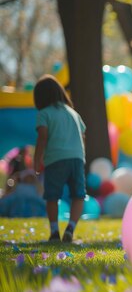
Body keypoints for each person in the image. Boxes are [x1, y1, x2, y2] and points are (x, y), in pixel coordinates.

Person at [33, 75, 86, 242]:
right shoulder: (73, 113)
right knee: (78, 195)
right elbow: (83, 136)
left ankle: (55, 231)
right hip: (77, 158)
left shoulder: (44, 114)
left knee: (52, 196)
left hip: (56, 159)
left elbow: (43, 137)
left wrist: (37, 159)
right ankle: (70, 228)